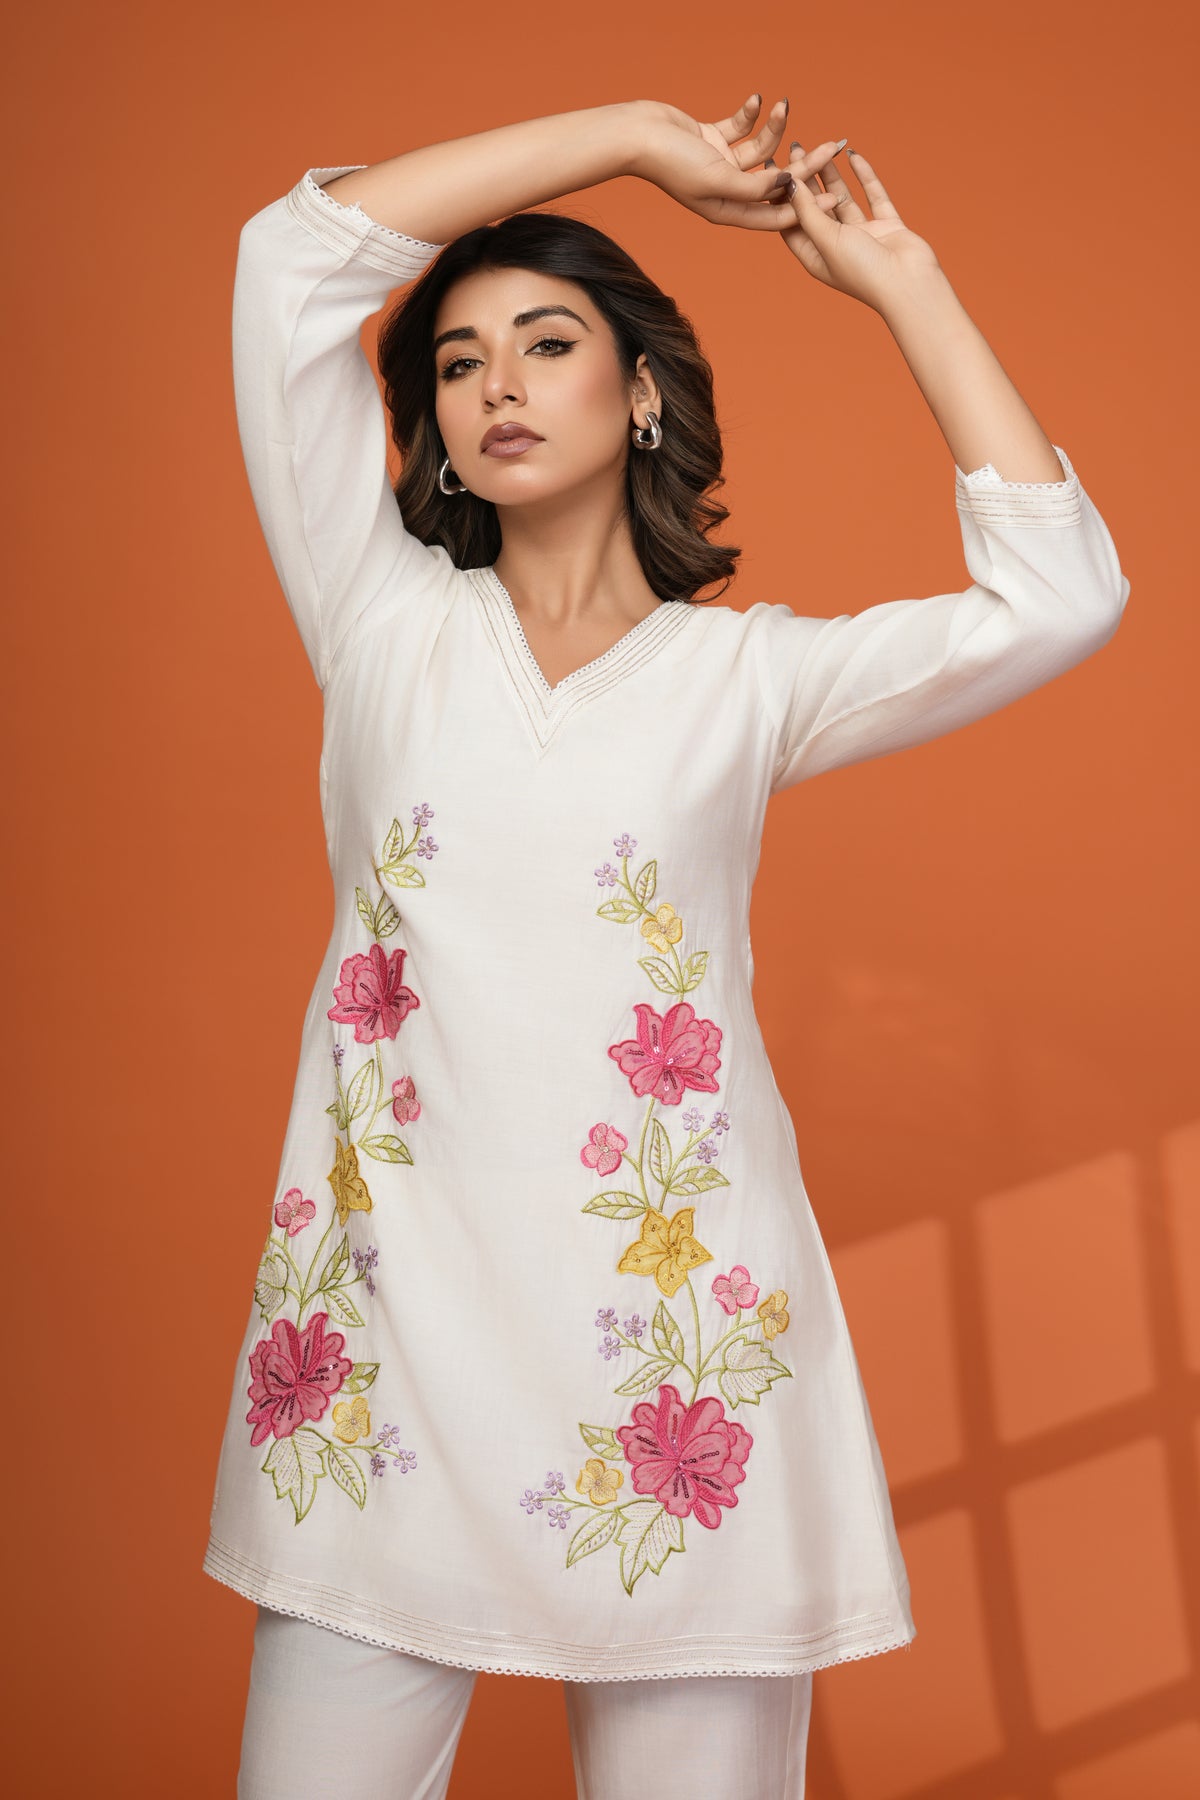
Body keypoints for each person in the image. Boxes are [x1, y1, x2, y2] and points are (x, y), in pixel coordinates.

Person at [204, 96, 1130, 1799]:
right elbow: (292, 258)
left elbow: (1063, 595)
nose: (495, 382)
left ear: (639, 393)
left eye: (547, 343)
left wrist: (903, 282)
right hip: (384, 1380)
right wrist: (635, 135)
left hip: (674, 1387)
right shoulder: (382, 620)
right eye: (459, 360)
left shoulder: (750, 679)